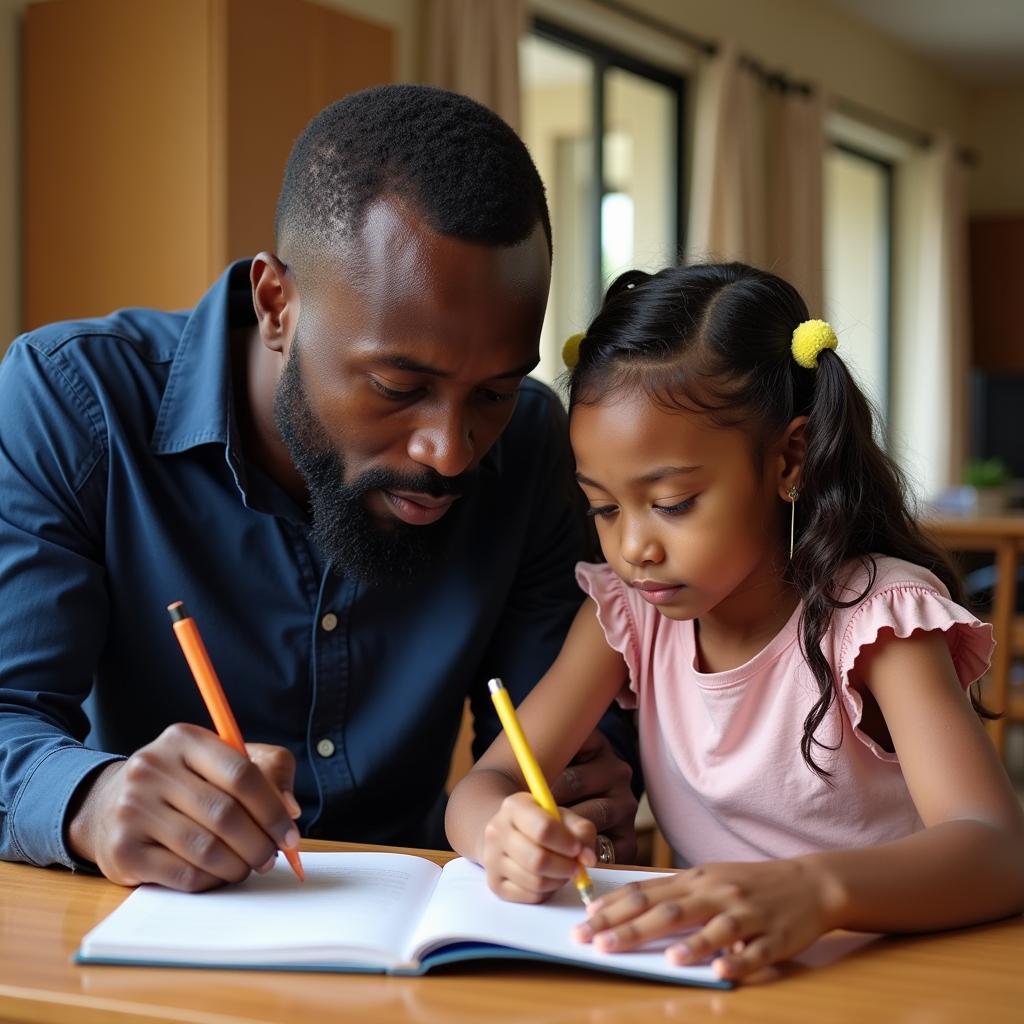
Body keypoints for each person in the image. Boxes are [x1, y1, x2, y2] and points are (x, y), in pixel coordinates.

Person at [0, 85, 638, 890]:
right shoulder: (74, 403)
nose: (450, 453)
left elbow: (553, 751)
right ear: (277, 305)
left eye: (493, 391)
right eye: (399, 386)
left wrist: (579, 803)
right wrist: (91, 800)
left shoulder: (537, 446)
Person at [446, 262, 1024, 981]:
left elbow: (997, 848)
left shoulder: (876, 623)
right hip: (712, 979)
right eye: (603, 507)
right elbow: (486, 782)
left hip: (886, 975)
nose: (632, 547)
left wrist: (817, 888)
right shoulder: (626, 617)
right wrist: (503, 832)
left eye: (673, 502)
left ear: (789, 459)